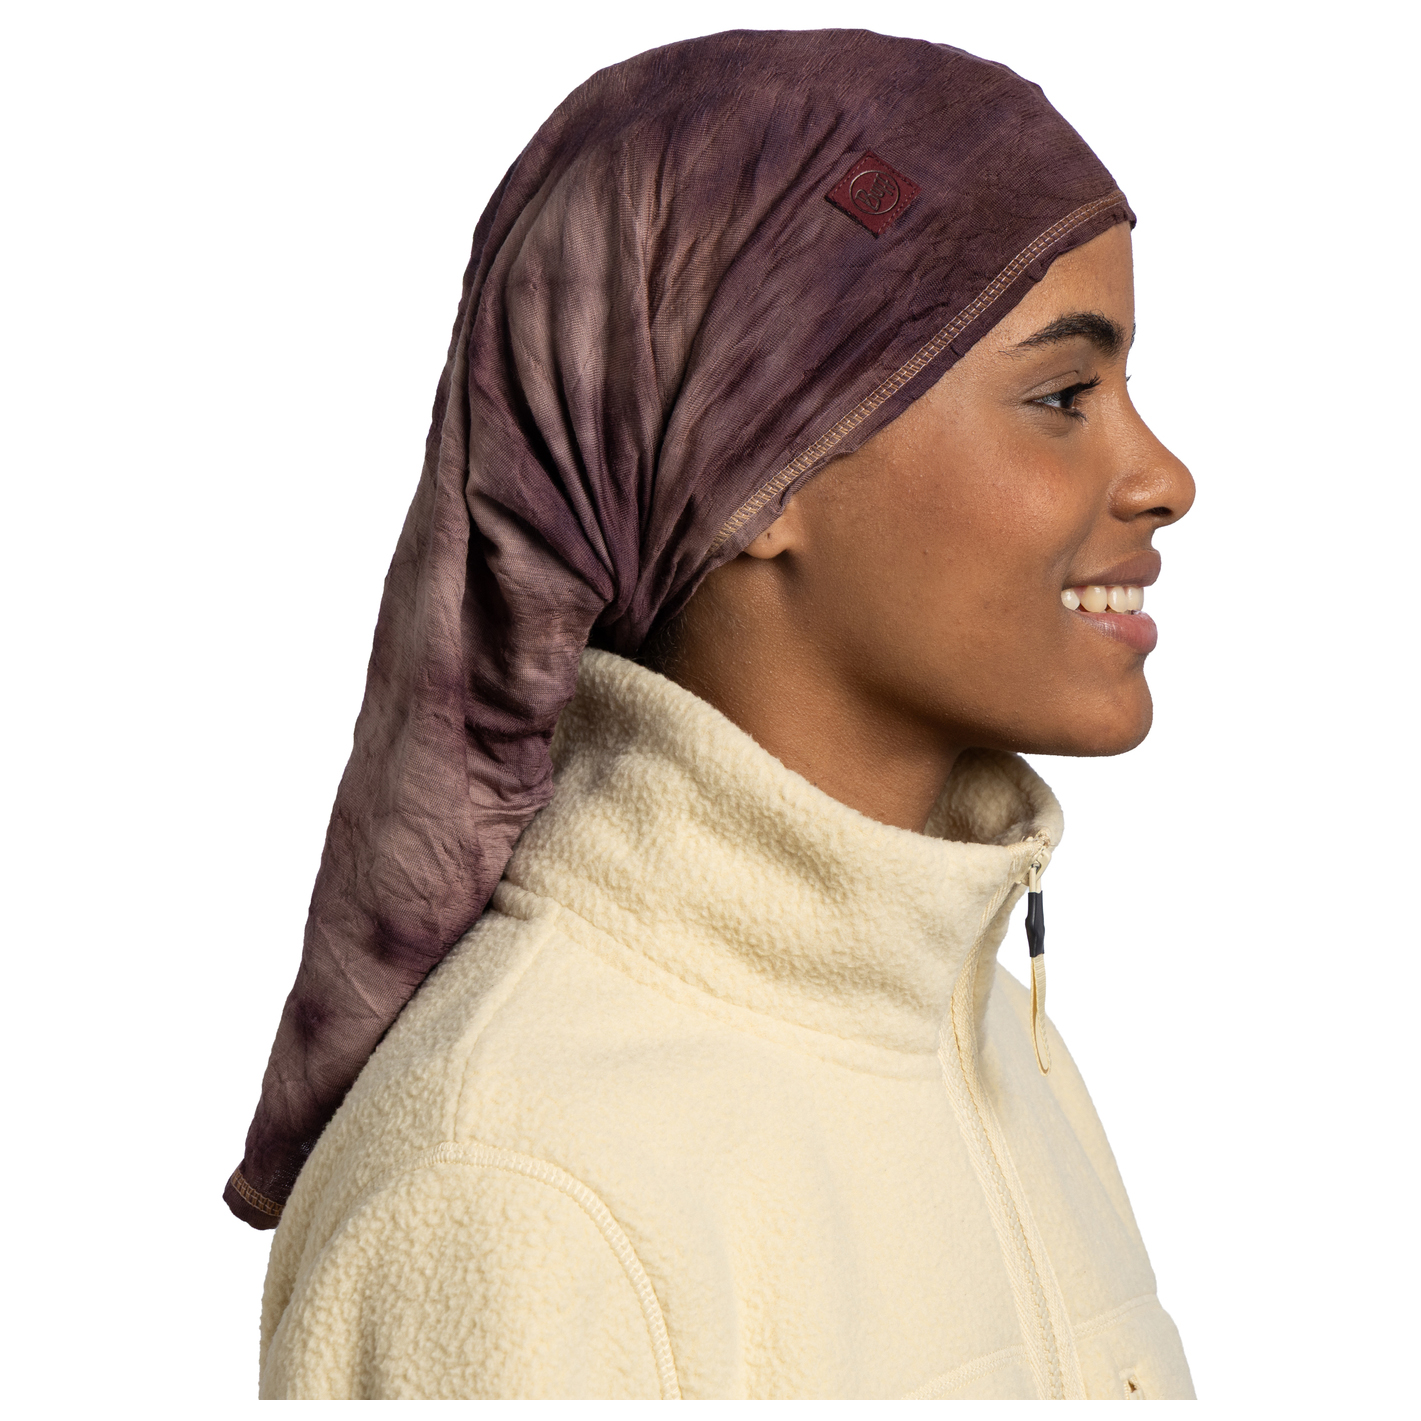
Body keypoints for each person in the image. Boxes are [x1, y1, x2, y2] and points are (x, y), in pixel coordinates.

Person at [242, 29, 1196, 1399]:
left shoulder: (984, 1034)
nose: (1165, 476)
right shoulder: (519, 1190)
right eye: (1062, 397)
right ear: (764, 471)